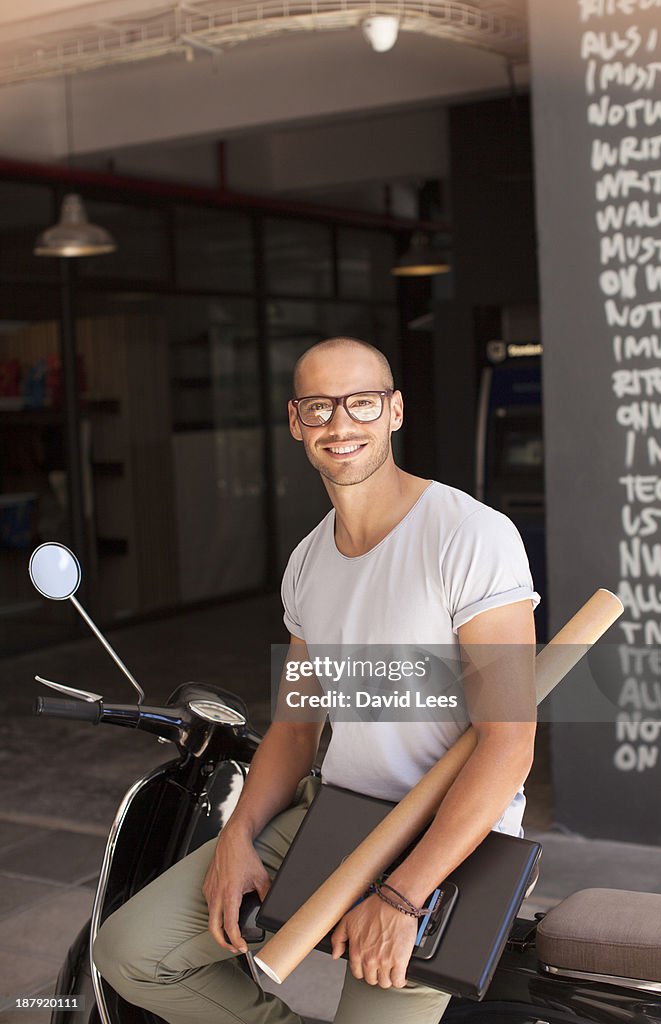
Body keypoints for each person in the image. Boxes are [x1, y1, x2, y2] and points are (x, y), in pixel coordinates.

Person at [93, 336, 539, 1024]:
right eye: (319, 406)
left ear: (393, 412)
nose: (340, 425)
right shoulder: (307, 561)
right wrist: (238, 836)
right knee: (132, 953)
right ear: (297, 420)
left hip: (448, 840)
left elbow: (508, 742)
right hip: (335, 816)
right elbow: (296, 728)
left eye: (360, 402)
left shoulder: (469, 537)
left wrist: (402, 897)